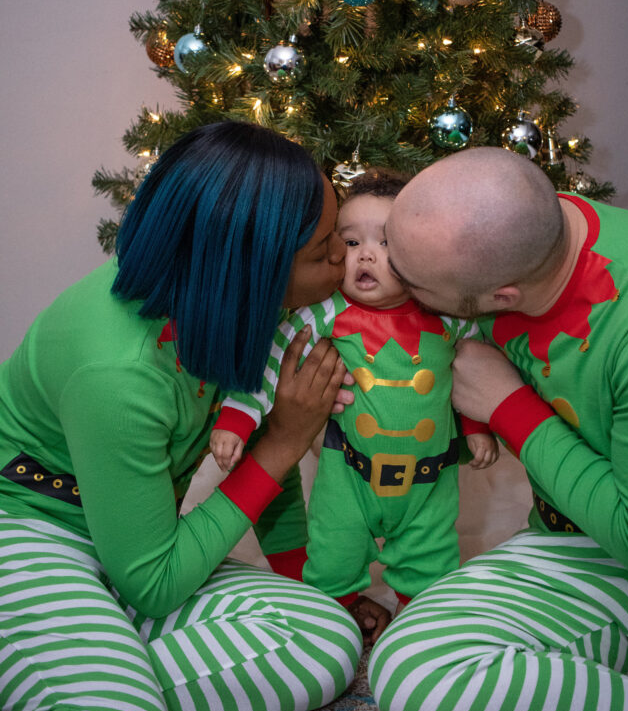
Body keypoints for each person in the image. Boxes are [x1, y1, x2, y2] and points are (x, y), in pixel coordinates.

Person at [0, 120, 372, 711]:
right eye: (325, 252)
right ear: (252, 267)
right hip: (29, 527)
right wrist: (289, 439)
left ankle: (76, 674)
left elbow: (258, 455)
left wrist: (300, 574)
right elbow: (155, 583)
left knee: (321, 634)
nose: (345, 263)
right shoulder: (118, 373)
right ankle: (93, 697)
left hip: (129, 536)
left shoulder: (227, 308)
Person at [366, 146, 628, 711]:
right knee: (414, 667)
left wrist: (509, 406)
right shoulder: (517, 241)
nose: (398, 285)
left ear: (502, 293)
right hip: (573, 544)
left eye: (418, 284)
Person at [211, 169, 498, 616]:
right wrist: (237, 419)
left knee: (431, 564)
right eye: (350, 243)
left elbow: (477, 370)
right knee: (333, 553)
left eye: (385, 243)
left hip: (429, 481)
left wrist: (478, 426)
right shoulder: (326, 312)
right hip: (349, 475)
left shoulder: (446, 313)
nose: (365, 256)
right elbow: (272, 360)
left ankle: (425, 620)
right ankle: (332, 612)